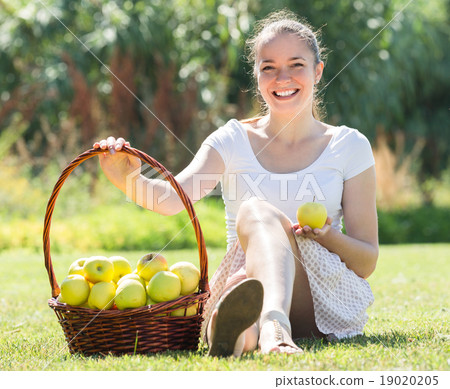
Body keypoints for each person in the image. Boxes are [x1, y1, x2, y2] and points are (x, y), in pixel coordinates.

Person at [93, 10, 378, 357]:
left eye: (296, 65)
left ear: (318, 71)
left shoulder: (349, 146)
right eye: (268, 67)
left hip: (318, 295)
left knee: (257, 211)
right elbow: (171, 200)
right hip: (245, 279)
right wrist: (128, 179)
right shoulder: (231, 139)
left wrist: (329, 236)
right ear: (256, 75)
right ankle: (236, 335)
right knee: (242, 284)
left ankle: (274, 324)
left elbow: (366, 261)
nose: (281, 77)